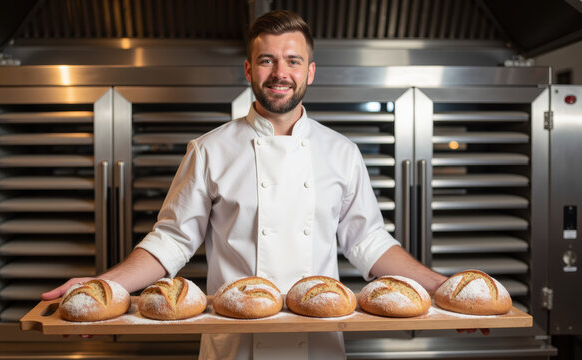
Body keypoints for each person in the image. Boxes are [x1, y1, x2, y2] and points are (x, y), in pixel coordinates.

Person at [43, 9, 449, 359]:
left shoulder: (341, 151)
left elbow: (370, 243)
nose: (279, 74)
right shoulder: (209, 149)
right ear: (248, 69)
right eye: (267, 61)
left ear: (309, 71)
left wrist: (448, 291)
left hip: (318, 343)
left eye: (292, 61)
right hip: (236, 345)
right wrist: (103, 288)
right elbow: (171, 240)